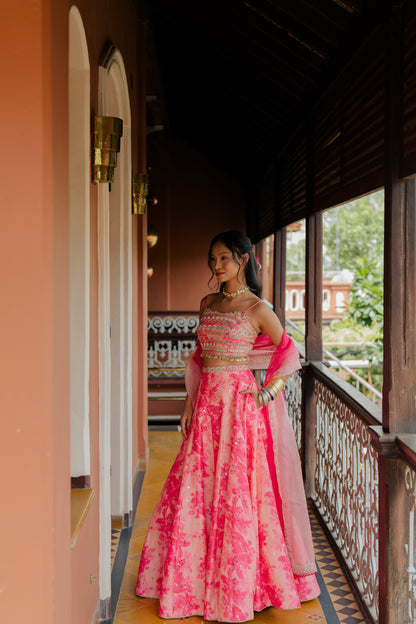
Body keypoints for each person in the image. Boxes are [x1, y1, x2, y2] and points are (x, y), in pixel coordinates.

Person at [136, 230, 320, 622]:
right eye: (213, 260)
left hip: (239, 407)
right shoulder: (208, 303)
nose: (216, 266)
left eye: (223, 259)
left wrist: (268, 392)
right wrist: (188, 405)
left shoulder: (258, 308)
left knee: (237, 492)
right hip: (206, 406)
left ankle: (240, 585)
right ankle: (192, 580)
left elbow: (289, 353)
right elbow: (200, 359)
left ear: (243, 259)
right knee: (195, 486)